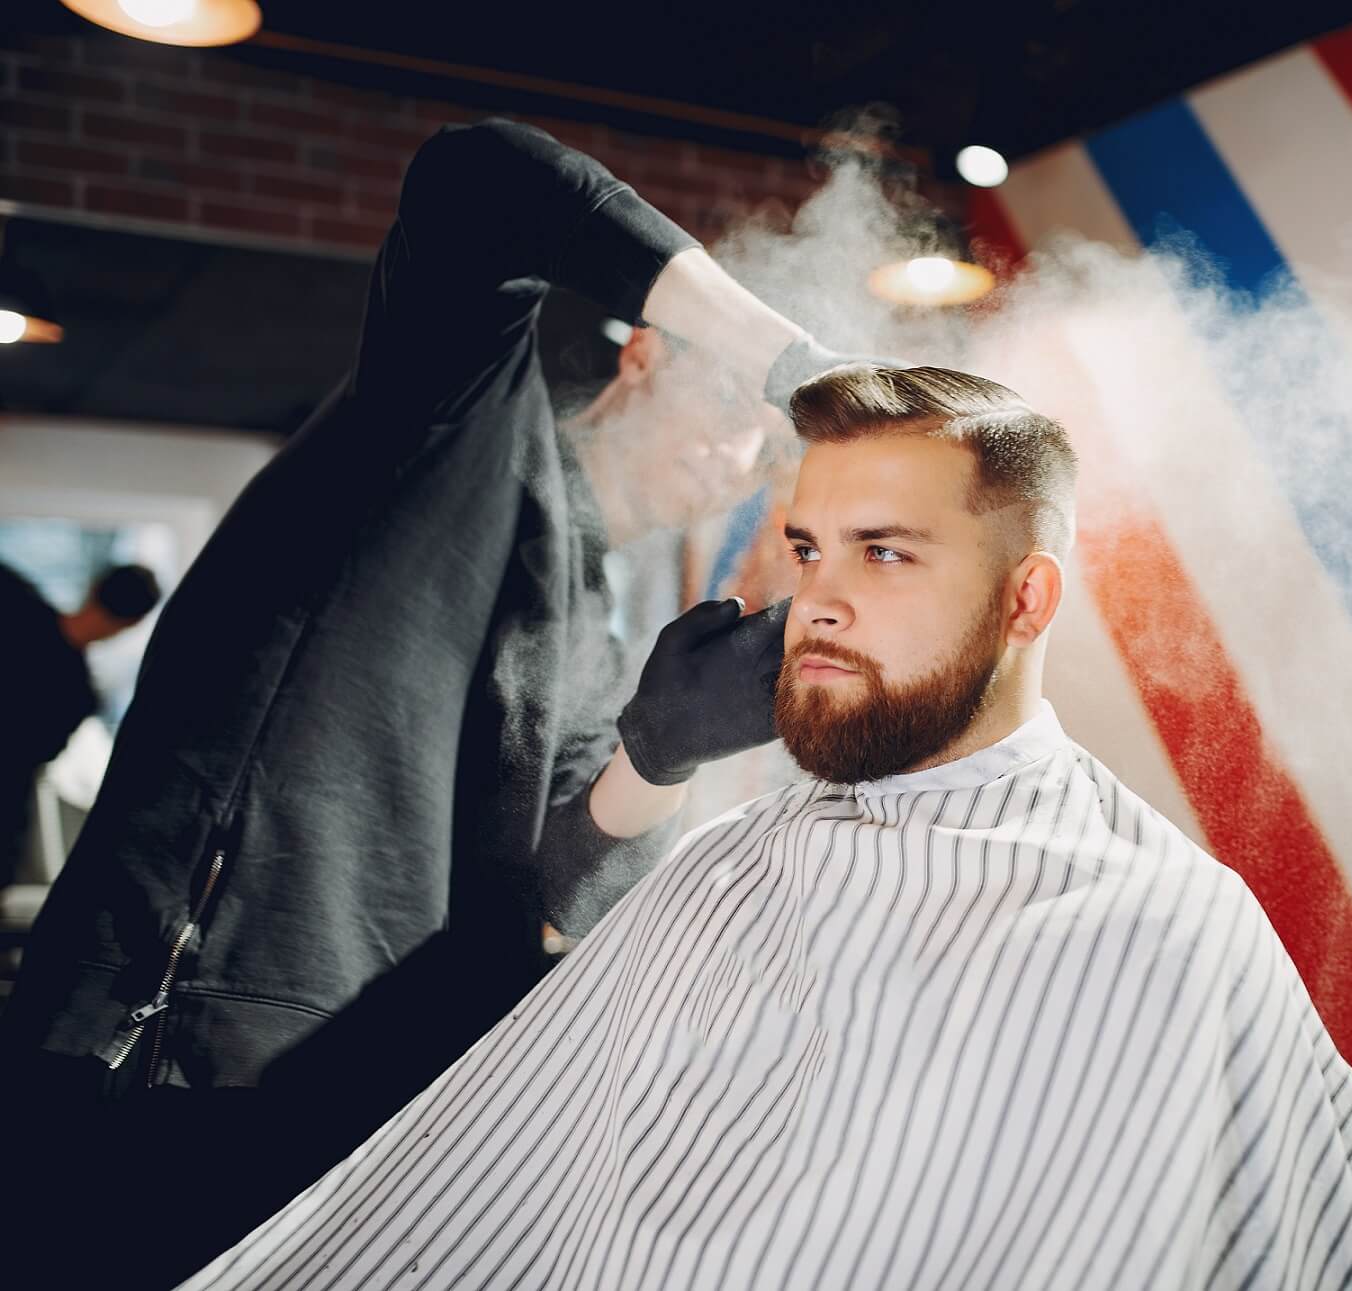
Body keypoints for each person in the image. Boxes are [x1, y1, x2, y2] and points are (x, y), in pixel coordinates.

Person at [184, 366, 1352, 1291]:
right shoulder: (735, 859)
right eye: (805, 547)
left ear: (1028, 597)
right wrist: (651, 759)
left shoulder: (1162, 925)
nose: (815, 601)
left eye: (885, 555)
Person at [0, 118, 863, 1288]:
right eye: (736, 415)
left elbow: (560, 877)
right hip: (158, 1052)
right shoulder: (451, 419)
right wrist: (795, 364)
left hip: (342, 1109)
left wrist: (661, 754)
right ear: (643, 356)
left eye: (767, 454)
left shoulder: (599, 644)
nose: (735, 459)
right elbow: (479, 176)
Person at [0, 562, 161, 882]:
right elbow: (32, 761)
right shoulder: (77, 694)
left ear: (94, 586)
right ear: (132, 623)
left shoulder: (13, 601)